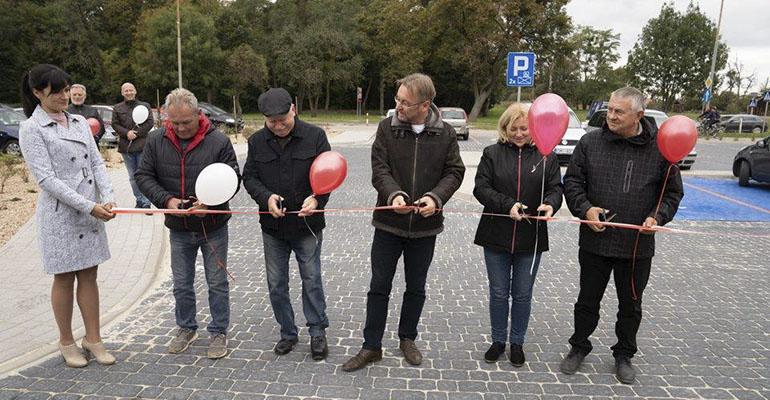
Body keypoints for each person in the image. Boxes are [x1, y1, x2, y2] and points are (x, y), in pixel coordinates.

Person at [560, 87, 683, 384]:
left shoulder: (662, 149)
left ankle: (624, 354)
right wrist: (586, 210)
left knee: (631, 305)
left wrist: (657, 216)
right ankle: (579, 346)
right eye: (610, 109)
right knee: (587, 300)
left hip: (637, 246)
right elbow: (573, 183)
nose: (611, 116)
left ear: (639, 115)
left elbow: (671, 194)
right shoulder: (590, 142)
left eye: (619, 112)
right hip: (595, 242)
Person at [342, 73, 465, 372]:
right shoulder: (387, 128)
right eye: (397, 99)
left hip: (425, 227)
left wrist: (436, 198)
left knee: (416, 287)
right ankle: (371, 346)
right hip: (388, 224)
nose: (398, 106)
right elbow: (379, 169)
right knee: (379, 286)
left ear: (424, 105)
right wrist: (393, 194)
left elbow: (454, 172)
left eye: (405, 102)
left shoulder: (446, 134)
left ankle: (408, 338)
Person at [19, 64, 117, 368]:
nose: (64, 96)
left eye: (66, 90)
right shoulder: (32, 129)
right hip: (61, 215)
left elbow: (97, 163)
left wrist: (108, 196)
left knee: (89, 275)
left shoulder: (78, 121)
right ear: (38, 93)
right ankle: (66, 341)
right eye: (57, 92)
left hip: (91, 211)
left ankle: (93, 338)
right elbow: (46, 179)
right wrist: (88, 206)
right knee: (64, 277)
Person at [135, 88, 239, 359]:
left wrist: (211, 205)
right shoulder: (156, 140)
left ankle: (218, 331)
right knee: (181, 283)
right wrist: (167, 200)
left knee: (217, 282)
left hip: (213, 226)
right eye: (175, 122)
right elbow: (143, 176)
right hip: (178, 228)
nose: (180, 128)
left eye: (186, 122)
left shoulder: (218, 141)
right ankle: (185, 327)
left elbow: (233, 179)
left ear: (198, 114)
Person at [242, 88, 331, 360]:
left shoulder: (315, 136)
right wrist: (266, 197)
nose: (279, 126)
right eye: (272, 122)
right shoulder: (257, 142)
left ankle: (317, 331)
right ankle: (288, 332)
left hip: (307, 226)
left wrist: (317, 199)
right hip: (273, 228)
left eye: (283, 120)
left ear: (293, 109)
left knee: (311, 279)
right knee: (276, 283)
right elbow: (250, 178)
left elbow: (328, 174)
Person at [473, 102, 563, 366]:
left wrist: (551, 204)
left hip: (531, 238)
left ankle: (517, 342)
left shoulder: (548, 157)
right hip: (495, 235)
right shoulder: (491, 153)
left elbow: (556, 188)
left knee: (522, 294)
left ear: (533, 128)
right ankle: (498, 340)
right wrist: (507, 205)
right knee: (499, 293)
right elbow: (481, 188)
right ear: (505, 128)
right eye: (514, 128)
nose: (519, 133)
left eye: (524, 128)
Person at [112, 82, 153, 209]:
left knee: (144, 175)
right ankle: (139, 199)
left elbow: (150, 122)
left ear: (135, 91)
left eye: (131, 90)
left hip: (142, 146)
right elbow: (115, 124)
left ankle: (146, 202)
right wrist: (127, 133)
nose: (129, 92)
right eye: (126, 91)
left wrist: (137, 133)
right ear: (122, 93)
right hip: (126, 148)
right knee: (132, 177)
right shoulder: (117, 108)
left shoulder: (145, 106)